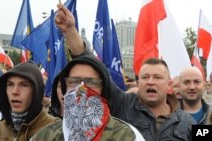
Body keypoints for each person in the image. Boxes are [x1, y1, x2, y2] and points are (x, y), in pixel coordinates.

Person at [53, 3, 194, 141]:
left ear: (169, 84)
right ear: (138, 83)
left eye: (157, 77)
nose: (151, 81)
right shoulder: (123, 104)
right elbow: (91, 64)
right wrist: (70, 31)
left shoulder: (187, 121)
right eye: (145, 77)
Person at [31, 55, 144, 141]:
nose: (81, 88)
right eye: (74, 81)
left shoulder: (128, 135)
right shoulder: (44, 136)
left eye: (91, 82)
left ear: (104, 89)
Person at [0, 61, 60, 140]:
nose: (15, 91)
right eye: (10, 84)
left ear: (37, 91)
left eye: (24, 85)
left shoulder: (57, 131)